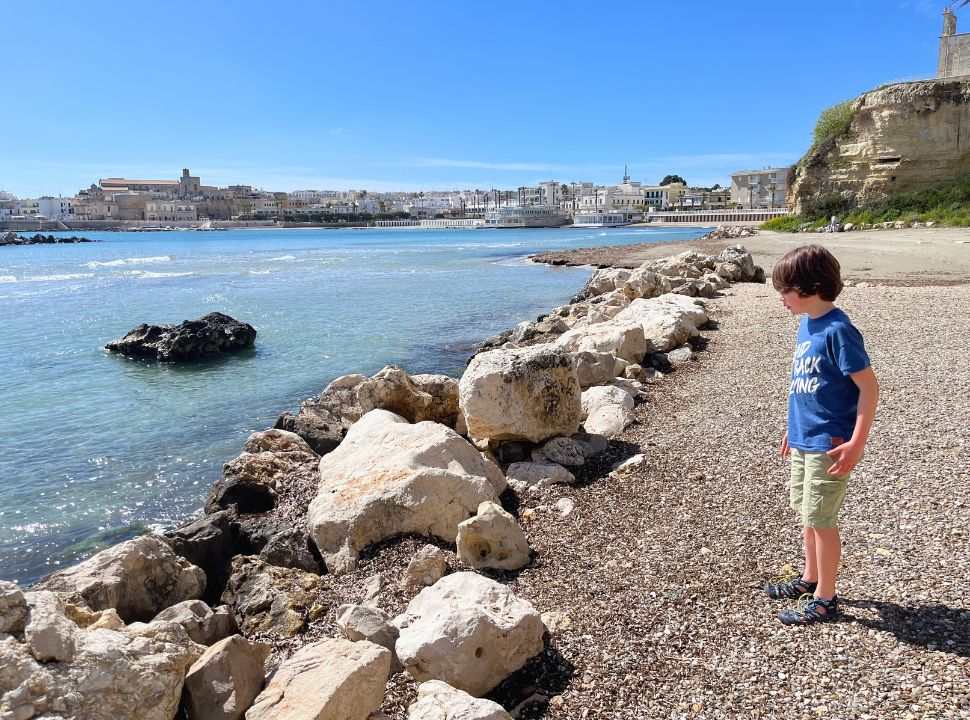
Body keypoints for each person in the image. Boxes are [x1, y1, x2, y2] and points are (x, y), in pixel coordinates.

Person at [764, 244, 879, 625]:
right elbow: (807, 387)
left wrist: (856, 443)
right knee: (807, 515)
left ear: (809, 287)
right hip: (804, 438)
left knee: (823, 520)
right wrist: (792, 430)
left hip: (829, 444)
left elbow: (868, 388)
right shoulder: (807, 323)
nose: (780, 297)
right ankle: (810, 579)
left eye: (785, 290)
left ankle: (826, 598)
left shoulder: (838, 331)